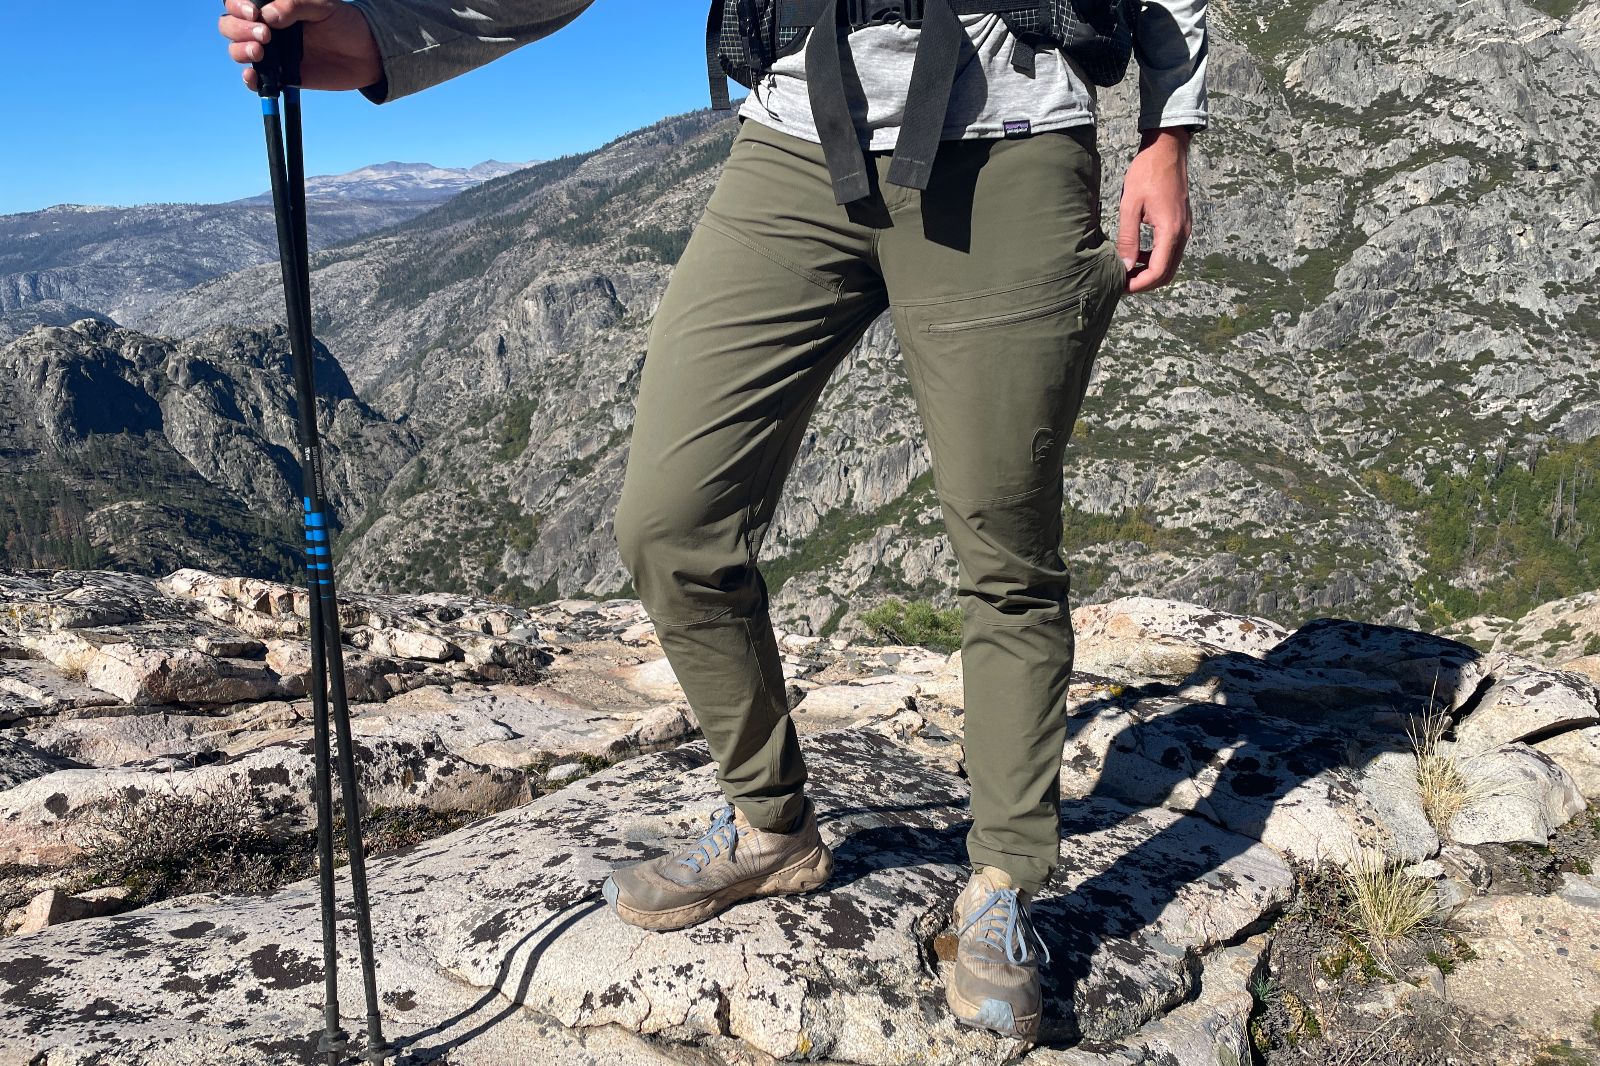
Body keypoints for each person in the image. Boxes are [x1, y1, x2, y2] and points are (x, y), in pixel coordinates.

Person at [219, 0, 1206, 1043]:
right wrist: (384, 39)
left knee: (1003, 544)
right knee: (669, 518)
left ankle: (1003, 882)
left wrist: (1167, 131)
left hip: (1010, 142)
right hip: (793, 140)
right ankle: (770, 822)